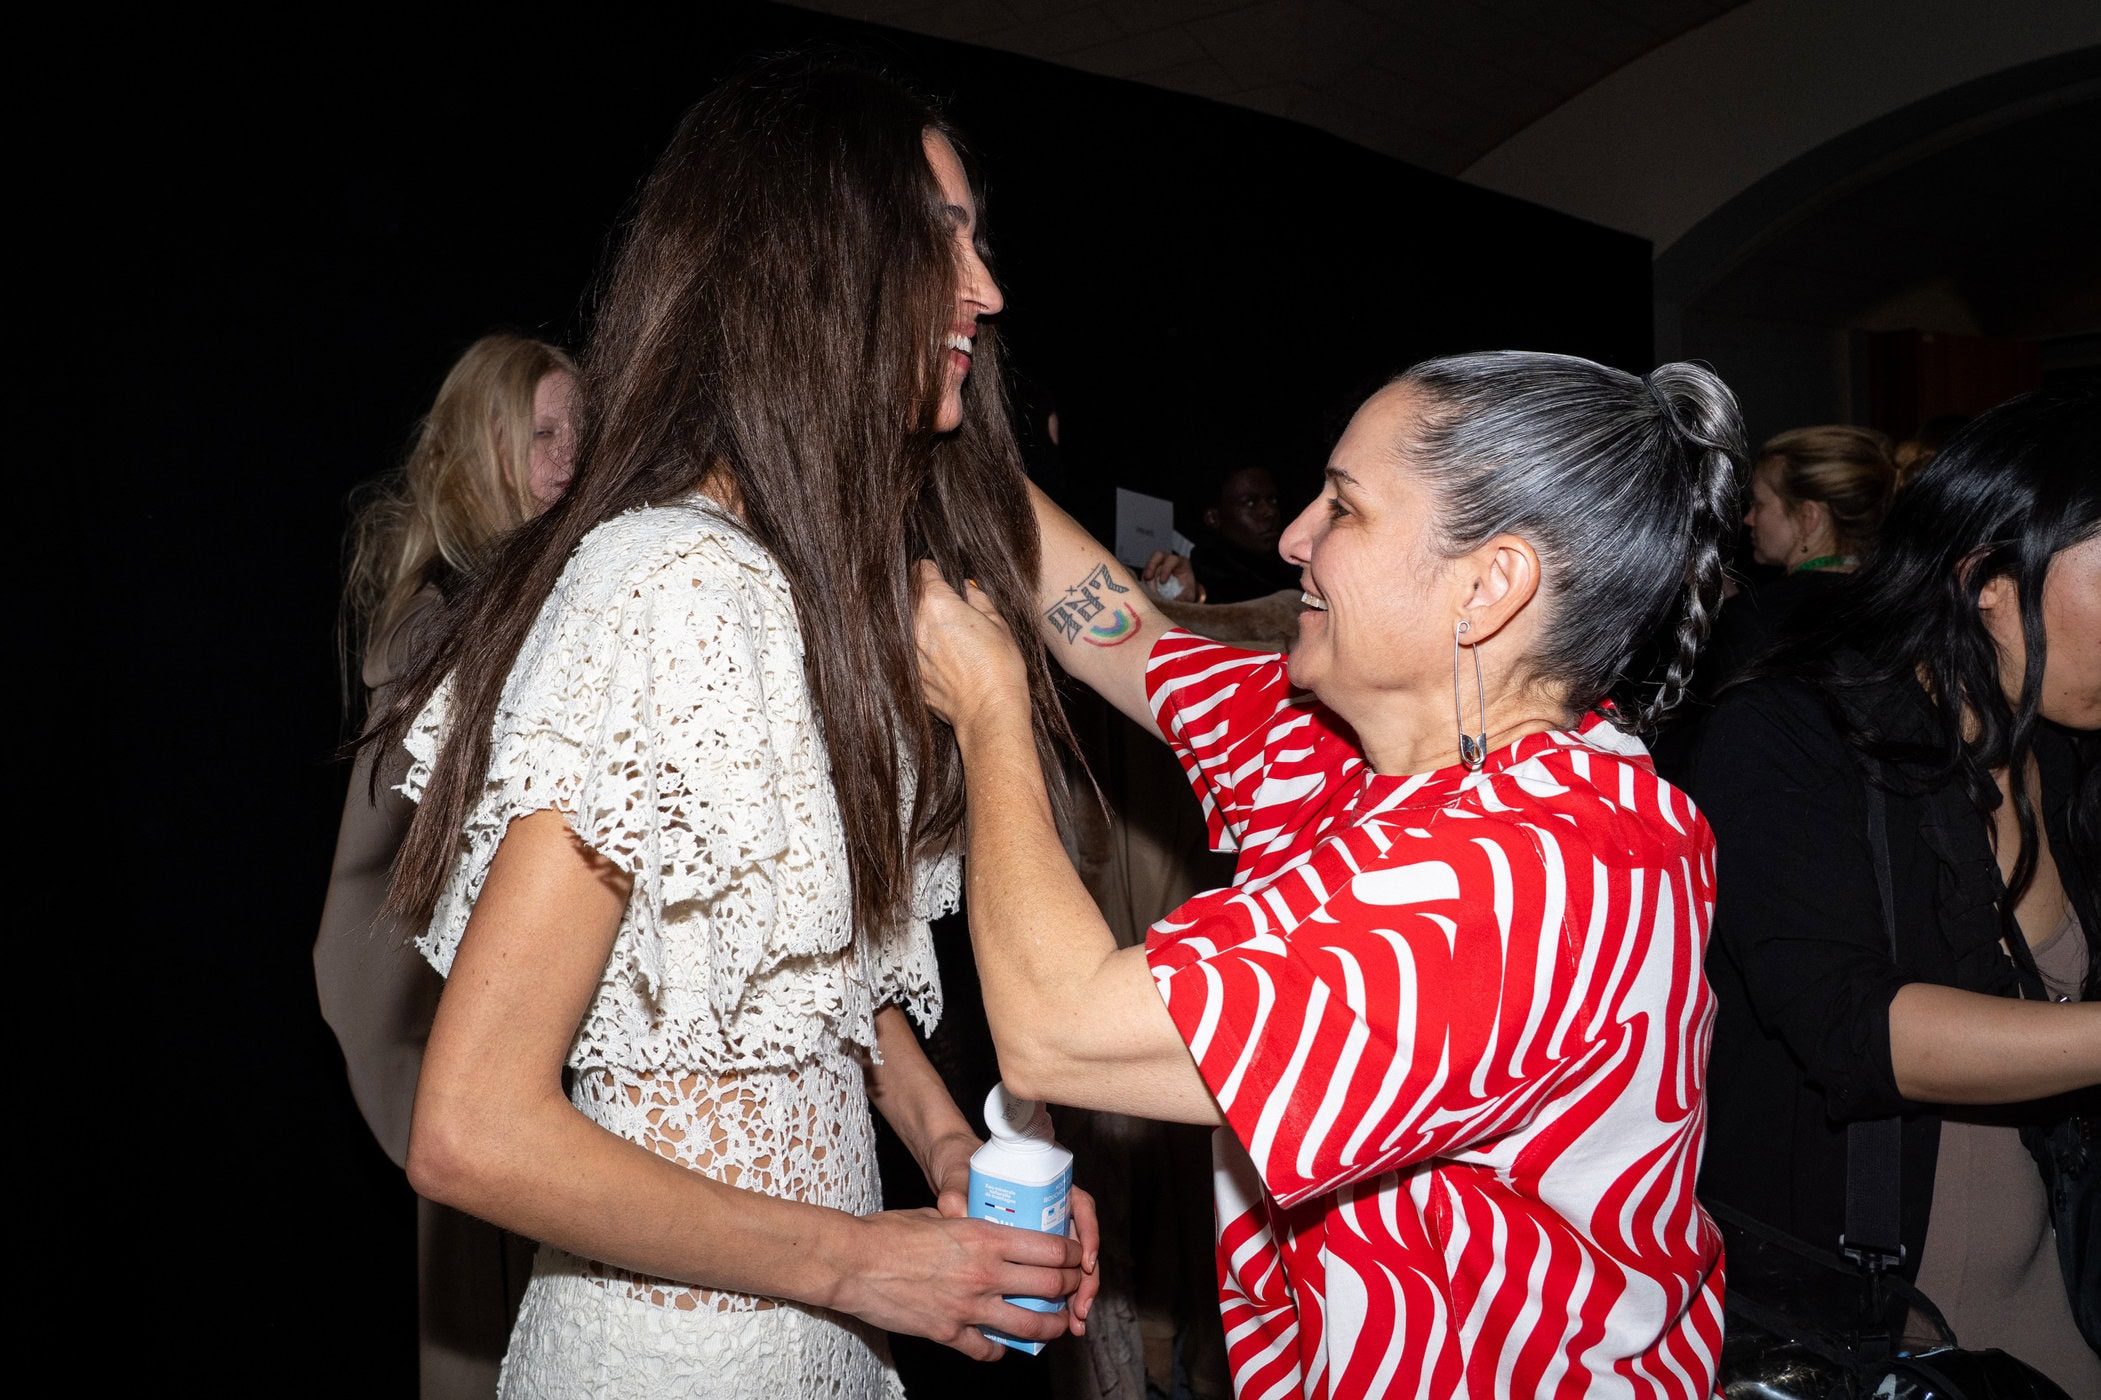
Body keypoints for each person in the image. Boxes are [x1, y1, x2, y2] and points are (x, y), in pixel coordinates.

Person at [364, 59, 1096, 1397]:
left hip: (822, 1336)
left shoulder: (798, 588)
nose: (986, 290)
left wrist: (945, 1154)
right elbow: (469, 1128)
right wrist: (867, 1264)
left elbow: (806, 979)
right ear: (816, 265)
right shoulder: (667, 583)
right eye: (943, 242)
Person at [914, 351, 1746, 1399]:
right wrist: (926, 413)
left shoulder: (1537, 877)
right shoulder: (1350, 737)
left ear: (1488, 583)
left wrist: (991, 708)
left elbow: (1054, 1028)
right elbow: (1117, 629)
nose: (1294, 535)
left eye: (1343, 509)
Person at [1692, 385, 2100, 1393]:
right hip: (1868, 1317)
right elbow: (1856, 1030)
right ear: (1985, 584)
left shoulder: (2060, 737)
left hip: (2047, 1287)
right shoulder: (1785, 736)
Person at [315, 331, 576, 1399]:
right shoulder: (437, 628)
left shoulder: (563, 594)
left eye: (582, 431)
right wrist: (443, 1088)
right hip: (488, 1062)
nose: (570, 455)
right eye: (543, 433)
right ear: (483, 449)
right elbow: (368, 910)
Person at [1187, 465, 1298, 603]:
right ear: (1213, 518)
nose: (1270, 512)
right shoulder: (1198, 581)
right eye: (1250, 503)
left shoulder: (1294, 570)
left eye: (1272, 500)